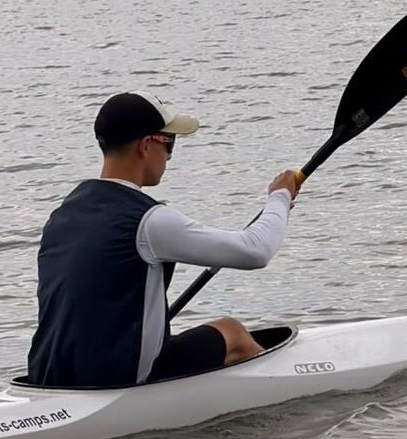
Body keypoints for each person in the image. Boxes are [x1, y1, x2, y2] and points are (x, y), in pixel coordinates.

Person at [26, 90, 300, 388]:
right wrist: (279, 198)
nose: (168, 156)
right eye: (169, 143)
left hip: (48, 376)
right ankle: (287, 389)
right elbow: (256, 251)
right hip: (116, 382)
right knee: (233, 333)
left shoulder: (63, 214)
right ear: (146, 145)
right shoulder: (148, 220)